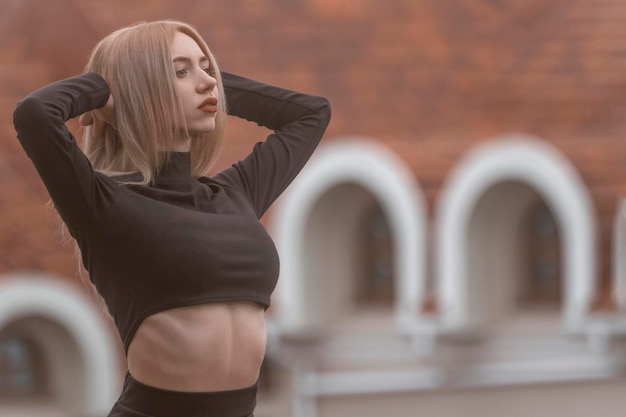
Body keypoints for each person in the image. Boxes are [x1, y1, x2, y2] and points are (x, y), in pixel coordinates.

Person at [13, 20, 331, 417]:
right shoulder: (103, 204)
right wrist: (110, 87)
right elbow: (34, 114)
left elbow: (312, 114)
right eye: (181, 72)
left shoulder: (236, 193)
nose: (206, 82)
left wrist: (203, 80)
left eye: (206, 67)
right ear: (138, 89)